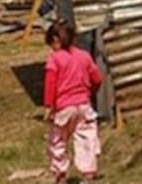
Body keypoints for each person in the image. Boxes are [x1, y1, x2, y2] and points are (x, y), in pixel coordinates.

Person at [43, 19, 103, 184]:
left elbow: (50, 84)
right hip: (84, 106)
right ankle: (88, 176)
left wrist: (49, 106)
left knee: (57, 141)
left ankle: (60, 174)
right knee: (86, 139)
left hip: (64, 108)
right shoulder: (84, 56)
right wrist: (90, 93)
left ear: (55, 40)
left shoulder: (55, 59)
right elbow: (97, 78)